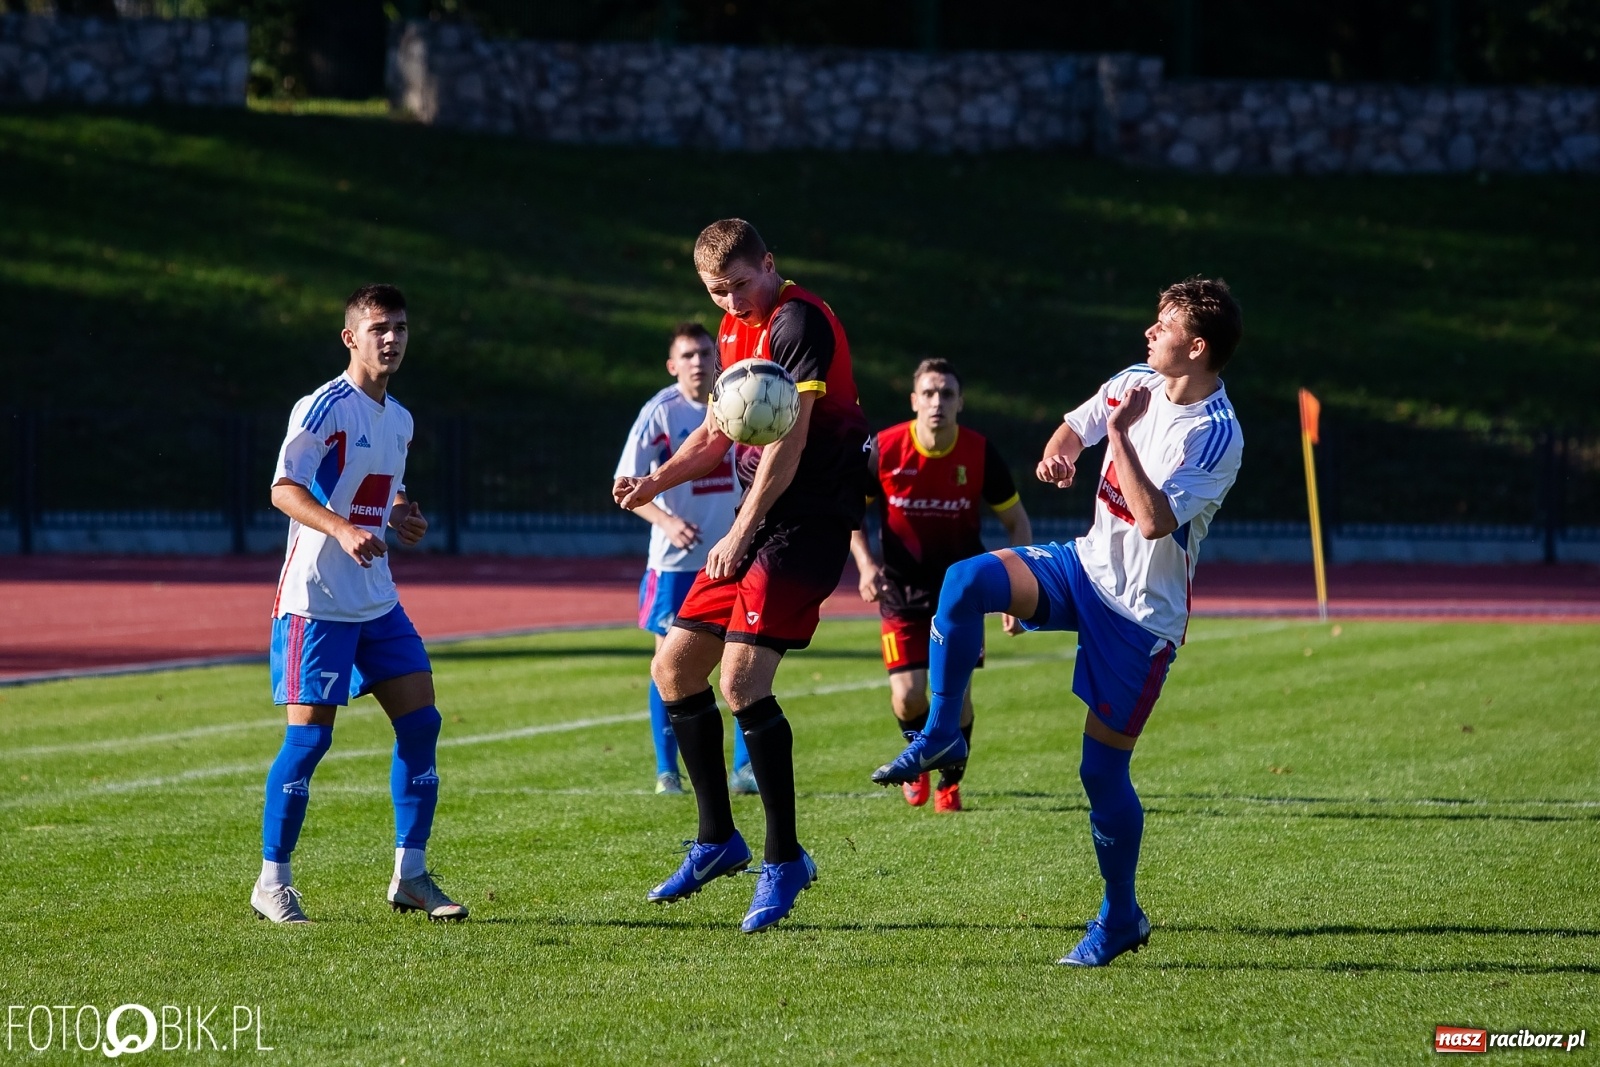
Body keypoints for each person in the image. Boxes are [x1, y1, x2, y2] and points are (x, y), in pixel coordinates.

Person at [871, 277, 1243, 966]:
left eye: (1161, 327)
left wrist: (1122, 438)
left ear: (1196, 347)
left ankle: (1121, 915)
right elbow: (1078, 423)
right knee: (967, 579)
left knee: (1101, 773)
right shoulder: (1136, 377)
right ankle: (942, 732)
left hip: (1140, 618)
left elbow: (1158, 521)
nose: (1147, 334)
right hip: (1083, 567)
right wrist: (1064, 448)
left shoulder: (1218, 435)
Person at [613, 218, 870, 933]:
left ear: (770, 264)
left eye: (738, 284)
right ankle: (717, 840)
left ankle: (784, 858)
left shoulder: (798, 321)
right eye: (715, 291)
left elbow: (788, 449)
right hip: (762, 520)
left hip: (810, 519)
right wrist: (654, 481)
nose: (729, 301)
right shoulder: (737, 330)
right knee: (675, 669)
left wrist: (737, 529)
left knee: (741, 682)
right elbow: (719, 432)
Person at [251, 283, 467, 925]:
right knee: (308, 741)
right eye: (378, 328)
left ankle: (411, 875)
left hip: (375, 601)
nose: (392, 338)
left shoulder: (398, 418)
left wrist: (403, 514)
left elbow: (386, 490)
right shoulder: (322, 407)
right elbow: (283, 489)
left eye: (399, 326)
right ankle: (272, 882)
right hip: (315, 601)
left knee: (421, 722)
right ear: (351, 337)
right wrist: (341, 528)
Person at [849, 358, 1032, 813]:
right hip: (900, 592)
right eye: (929, 393)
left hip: (962, 599)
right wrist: (866, 565)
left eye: (947, 394)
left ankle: (950, 782)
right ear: (914, 401)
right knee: (908, 696)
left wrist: (1018, 588)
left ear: (960, 403)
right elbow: (853, 513)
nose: (937, 402)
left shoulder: (980, 453)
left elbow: (1017, 523)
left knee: (959, 700)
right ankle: (917, 761)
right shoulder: (885, 449)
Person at [615, 322, 756, 796]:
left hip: (731, 556)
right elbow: (627, 485)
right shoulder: (660, 412)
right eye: (688, 355)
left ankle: (745, 768)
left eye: (704, 353)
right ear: (673, 365)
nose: (698, 362)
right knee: (668, 662)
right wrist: (668, 522)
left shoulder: (743, 397)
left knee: (743, 658)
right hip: (674, 565)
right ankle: (666, 770)